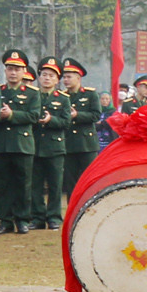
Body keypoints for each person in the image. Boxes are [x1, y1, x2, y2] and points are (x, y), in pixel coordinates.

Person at [0, 50, 40, 234]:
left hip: (22, 144)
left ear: (24, 72)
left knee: (23, 184)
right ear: (5, 71)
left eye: (17, 69)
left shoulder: (32, 93)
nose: (13, 73)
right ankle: (5, 220)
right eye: (10, 69)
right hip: (1, 143)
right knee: (3, 184)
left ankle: (22, 219)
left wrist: (12, 115)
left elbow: (34, 116)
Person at [30, 57, 69, 230]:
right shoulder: (32, 96)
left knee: (55, 185)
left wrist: (51, 120)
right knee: (35, 184)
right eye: (44, 74)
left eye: (51, 76)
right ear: (39, 77)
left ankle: (54, 217)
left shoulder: (63, 99)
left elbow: (66, 122)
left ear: (57, 80)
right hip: (35, 145)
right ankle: (37, 217)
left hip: (55, 147)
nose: (47, 78)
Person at [59, 59, 102, 200]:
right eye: (64, 77)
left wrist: (77, 115)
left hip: (86, 144)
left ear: (78, 78)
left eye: (69, 77)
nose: (66, 80)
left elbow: (96, 115)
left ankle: (90, 204)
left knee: (90, 178)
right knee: (70, 181)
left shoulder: (90, 94)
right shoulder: (62, 96)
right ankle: (72, 206)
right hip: (68, 143)